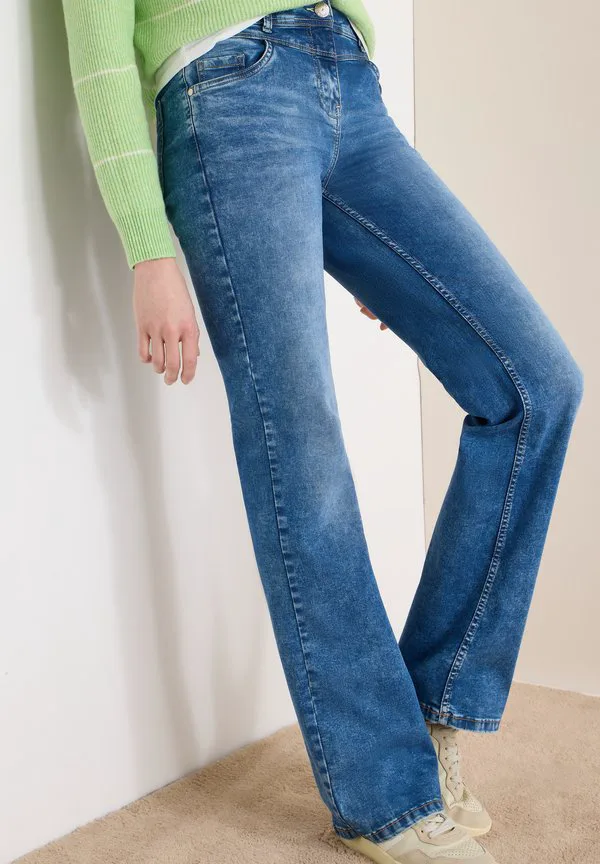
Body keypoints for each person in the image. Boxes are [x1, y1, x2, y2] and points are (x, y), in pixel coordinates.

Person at [61, 2, 584, 862]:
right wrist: (146, 246)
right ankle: (383, 795)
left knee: (537, 384)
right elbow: (96, 46)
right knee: (299, 449)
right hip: (227, 93)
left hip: (349, 79)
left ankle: (426, 713)